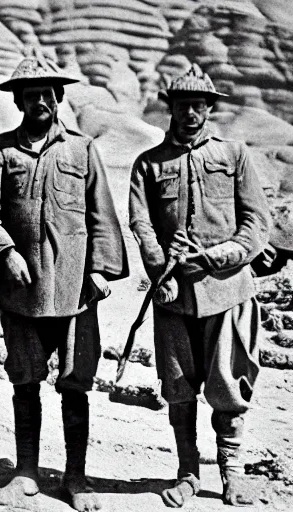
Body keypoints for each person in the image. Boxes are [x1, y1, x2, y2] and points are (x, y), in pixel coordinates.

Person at [0, 51, 128, 512]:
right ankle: (25, 472)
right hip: (21, 291)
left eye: (47, 93)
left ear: (58, 98)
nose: (39, 100)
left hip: (75, 290)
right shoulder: (1, 151)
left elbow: (102, 216)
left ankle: (76, 478)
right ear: (19, 101)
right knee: (25, 381)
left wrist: (101, 269)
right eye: (30, 94)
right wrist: (4, 252)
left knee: (76, 383)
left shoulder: (82, 150)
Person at [129, 63, 270, 508]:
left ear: (210, 109)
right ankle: (187, 473)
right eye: (182, 105)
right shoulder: (149, 164)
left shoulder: (234, 155)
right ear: (170, 109)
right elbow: (141, 222)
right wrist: (160, 272)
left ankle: (230, 474)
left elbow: (256, 222)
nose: (190, 113)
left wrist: (218, 255)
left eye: (199, 106)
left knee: (229, 385)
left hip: (228, 289)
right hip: (173, 295)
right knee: (178, 386)